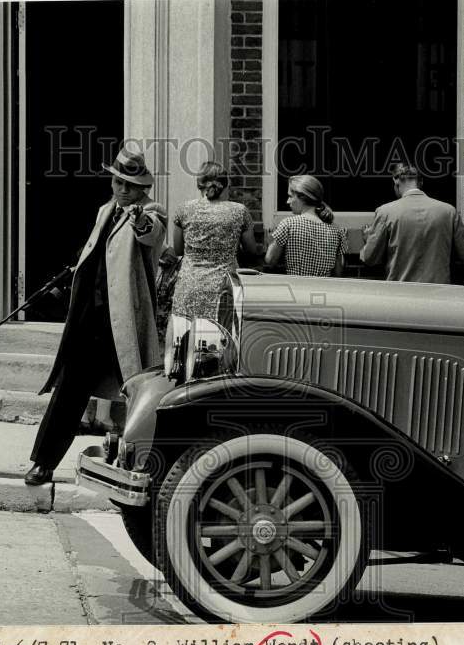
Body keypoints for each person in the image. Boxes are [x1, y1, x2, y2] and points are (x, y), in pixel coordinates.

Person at [25, 148, 167, 486]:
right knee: (69, 391)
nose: (122, 190)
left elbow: (153, 233)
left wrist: (140, 221)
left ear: (141, 189)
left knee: (139, 395)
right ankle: (43, 463)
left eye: (130, 186)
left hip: (125, 324)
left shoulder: (149, 210)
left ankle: (144, 466)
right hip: (91, 319)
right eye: (118, 182)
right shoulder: (105, 210)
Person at [170, 161, 258, 321]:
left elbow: (177, 250)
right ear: (226, 184)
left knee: (186, 338)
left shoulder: (183, 210)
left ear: (199, 184)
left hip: (190, 286)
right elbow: (252, 250)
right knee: (222, 339)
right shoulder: (239, 211)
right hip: (224, 288)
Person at [360, 163, 464, 283]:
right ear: (420, 182)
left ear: (396, 182)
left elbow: (369, 258)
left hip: (400, 291)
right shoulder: (448, 211)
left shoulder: (386, 212)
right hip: (439, 291)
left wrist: (368, 240)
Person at [265, 175, 345, 277]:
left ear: (302, 197)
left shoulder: (288, 224)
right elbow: (338, 272)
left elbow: (270, 261)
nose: (287, 201)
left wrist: (270, 242)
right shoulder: (336, 230)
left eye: (290, 196)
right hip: (324, 290)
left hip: (297, 288)